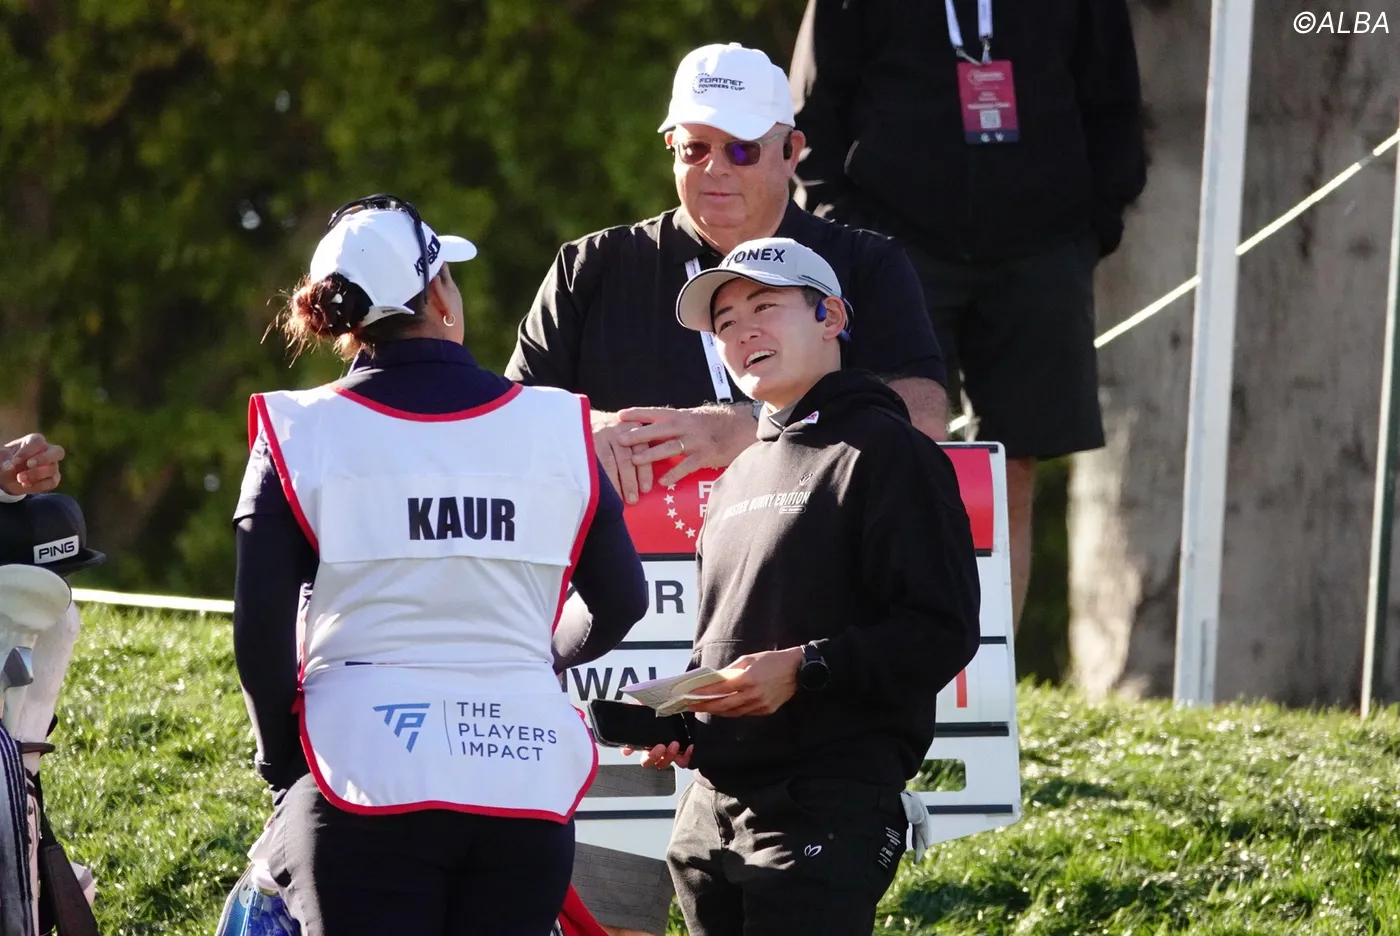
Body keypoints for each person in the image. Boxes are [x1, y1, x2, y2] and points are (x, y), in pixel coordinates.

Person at [504, 43, 949, 936]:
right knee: (611, 914)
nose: (715, 170)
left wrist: (745, 431)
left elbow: (926, 414)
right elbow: (505, 423)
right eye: (694, 147)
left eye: (742, 149)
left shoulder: (860, 263)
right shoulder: (593, 266)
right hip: (625, 683)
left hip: (805, 724)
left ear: (793, 150)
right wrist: (586, 429)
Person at [232, 195, 649, 936]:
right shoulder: (557, 424)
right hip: (522, 778)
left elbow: (260, 636)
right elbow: (621, 600)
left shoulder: (299, 429)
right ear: (439, 296)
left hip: (360, 772)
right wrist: (536, 658)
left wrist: (284, 768)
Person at [627, 236, 980, 934]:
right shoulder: (735, 477)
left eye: (765, 307)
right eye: (725, 322)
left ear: (831, 317)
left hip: (827, 803)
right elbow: (726, 642)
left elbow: (942, 629)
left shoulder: (891, 451)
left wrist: (806, 668)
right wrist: (685, 720)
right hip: (709, 812)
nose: (743, 332)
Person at [789, 0, 1148, 627]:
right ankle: (891, 649)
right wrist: (848, 233)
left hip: (1041, 249)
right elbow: (812, 112)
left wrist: (1092, 227)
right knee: (888, 450)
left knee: (1014, 461)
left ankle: (990, 663)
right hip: (895, 247)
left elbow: (1113, 97)